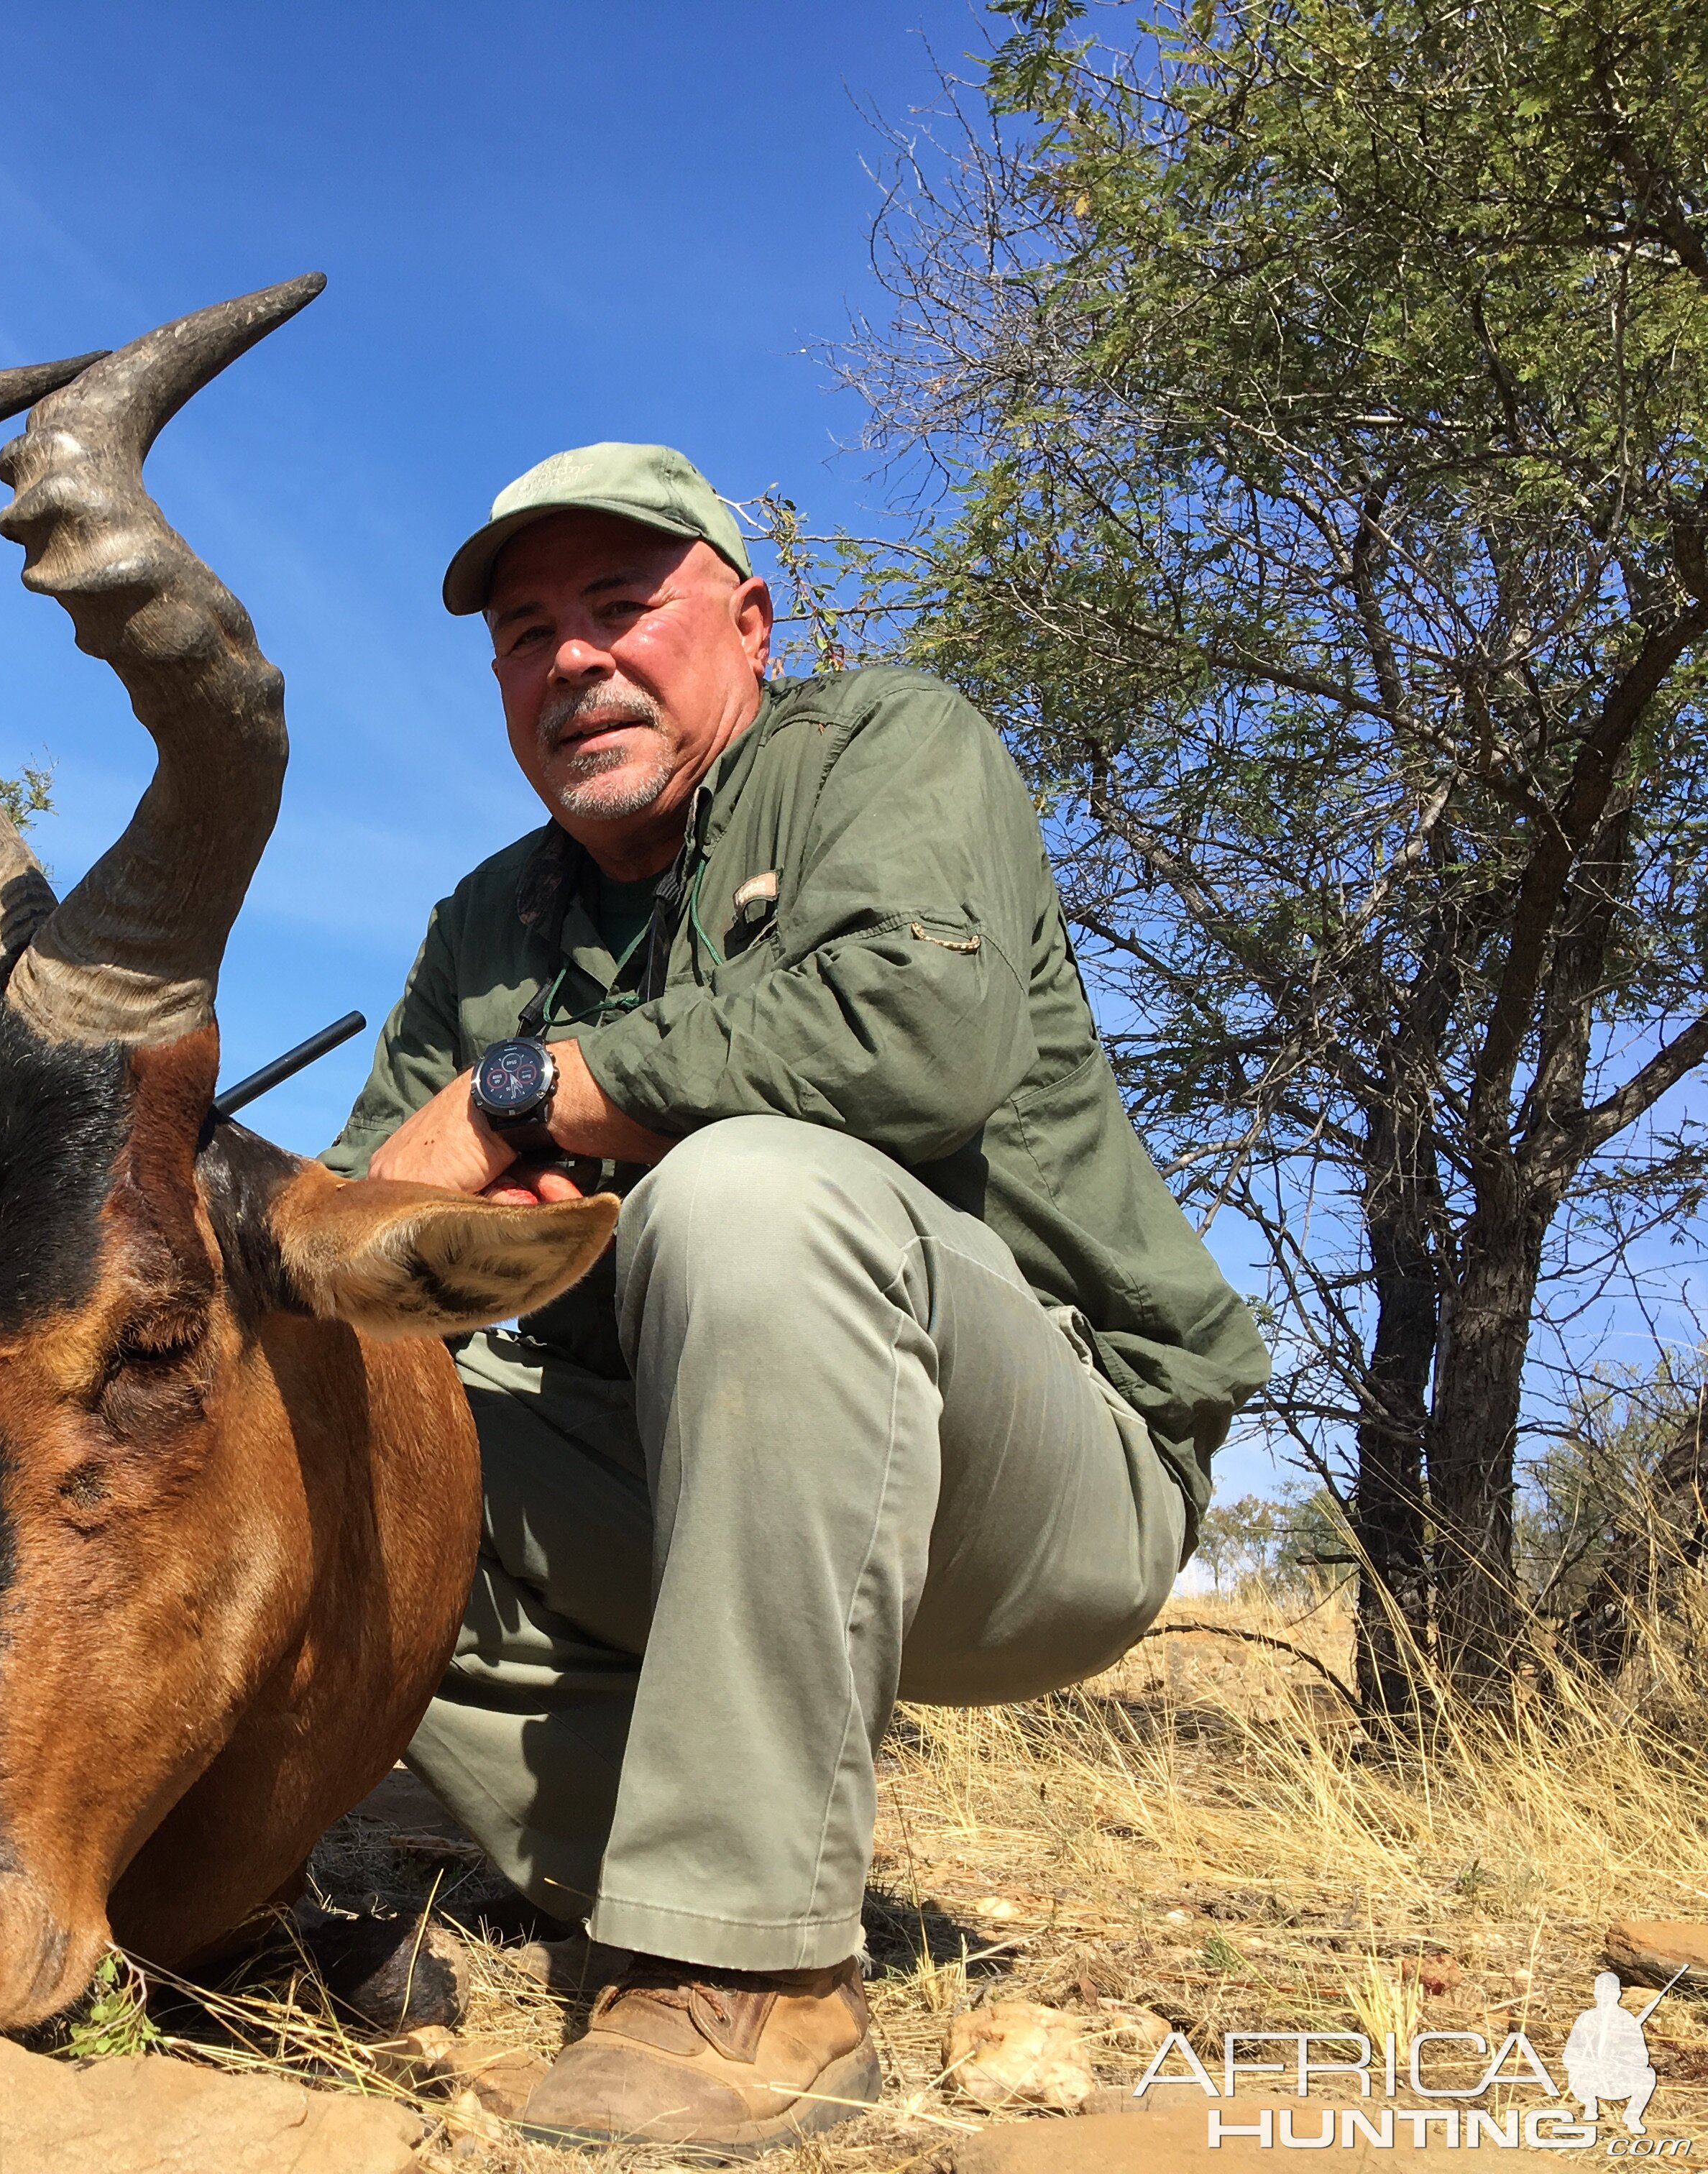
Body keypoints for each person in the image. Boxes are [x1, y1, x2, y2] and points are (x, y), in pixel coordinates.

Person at [323, 443, 1269, 2155]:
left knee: (743, 1199)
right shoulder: (488, 915)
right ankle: (658, 1886)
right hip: (690, 1504)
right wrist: (419, 1243)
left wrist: (531, 1096)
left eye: (623, 606)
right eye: (528, 632)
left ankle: (755, 1980)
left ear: (746, 626)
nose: (575, 660)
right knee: (329, 1429)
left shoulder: (889, 745)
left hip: (1027, 1501)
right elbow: (364, 1222)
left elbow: (917, 1037)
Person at [1564, 1973, 1656, 2133]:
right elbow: (1570, 2051)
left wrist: (1619, 2062)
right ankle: (1590, 2106)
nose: (1605, 1996)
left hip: (1618, 2079)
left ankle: (1632, 2117)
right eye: (1601, 1991)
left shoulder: (1627, 2019)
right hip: (1591, 2078)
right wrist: (1586, 2063)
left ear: (1618, 1994)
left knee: (1648, 2075)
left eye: (1610, 1992)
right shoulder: (1586, 2018)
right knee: (1574, 2074)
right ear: (1595, 1993)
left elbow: (1641, 2057)